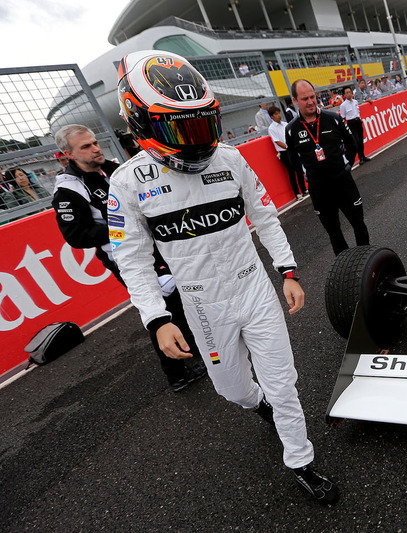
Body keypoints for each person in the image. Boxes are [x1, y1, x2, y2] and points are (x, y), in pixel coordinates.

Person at [111, 51, 338, 504]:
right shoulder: (127, 183)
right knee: (233, 389)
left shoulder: (231, 160)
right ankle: (258, 405)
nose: (196, 140)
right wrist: (157, 319)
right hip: (200, 301)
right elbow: (132, 260)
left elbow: (266, 216)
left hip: (252, 283)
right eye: (180, 128)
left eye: (201, 125)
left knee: (284, 381)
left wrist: (287, 270)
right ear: (141, 124)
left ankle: (301, 459)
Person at [51, 124, 207, 392]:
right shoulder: (68, 189)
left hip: (156, 247)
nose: (95, 148)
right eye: (86, 146)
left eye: (95, 142)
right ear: (68, 154)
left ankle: (189, 351)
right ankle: (177, 374)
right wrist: (126, 225)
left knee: (180, 302)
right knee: (160, 312)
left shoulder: (112, 169)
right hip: (127, 258)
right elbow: (77, 236)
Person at [285, 79, 369, 256]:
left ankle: (367, 264)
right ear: (295, 100)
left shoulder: (333, 118)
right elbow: (293, 161)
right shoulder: (291, 129)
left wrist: (345, 166)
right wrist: (310, 175)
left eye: (312, 97)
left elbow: (351, 144)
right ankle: (345, 269)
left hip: (343, 182)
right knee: (334, 233)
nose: (310, 102)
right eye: (304, 98)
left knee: (358, 223)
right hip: (319, 189)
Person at [267, 105, 307, 199]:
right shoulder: (271, 128)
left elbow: (292, 136)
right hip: (285, 153)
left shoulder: (285, 124)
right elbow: (277, 141)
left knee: (299, 170)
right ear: (271, 116)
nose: (279, 115)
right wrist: (289, 147)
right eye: (276, 114)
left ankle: (304, 189)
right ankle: (297, 193)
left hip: (292, 150)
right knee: (291, 173)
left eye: (279, 113)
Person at [338, 86, 370, 165]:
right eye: (347, 93)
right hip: (351, 123)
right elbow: (343, 117)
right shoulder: (343, 105)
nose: (349, 94)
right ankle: (358, 158)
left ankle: (362, 156)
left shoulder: (355, 102)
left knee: (361, 139)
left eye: (350, 92)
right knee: (356, 141)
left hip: (358, 121)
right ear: (344, 95)